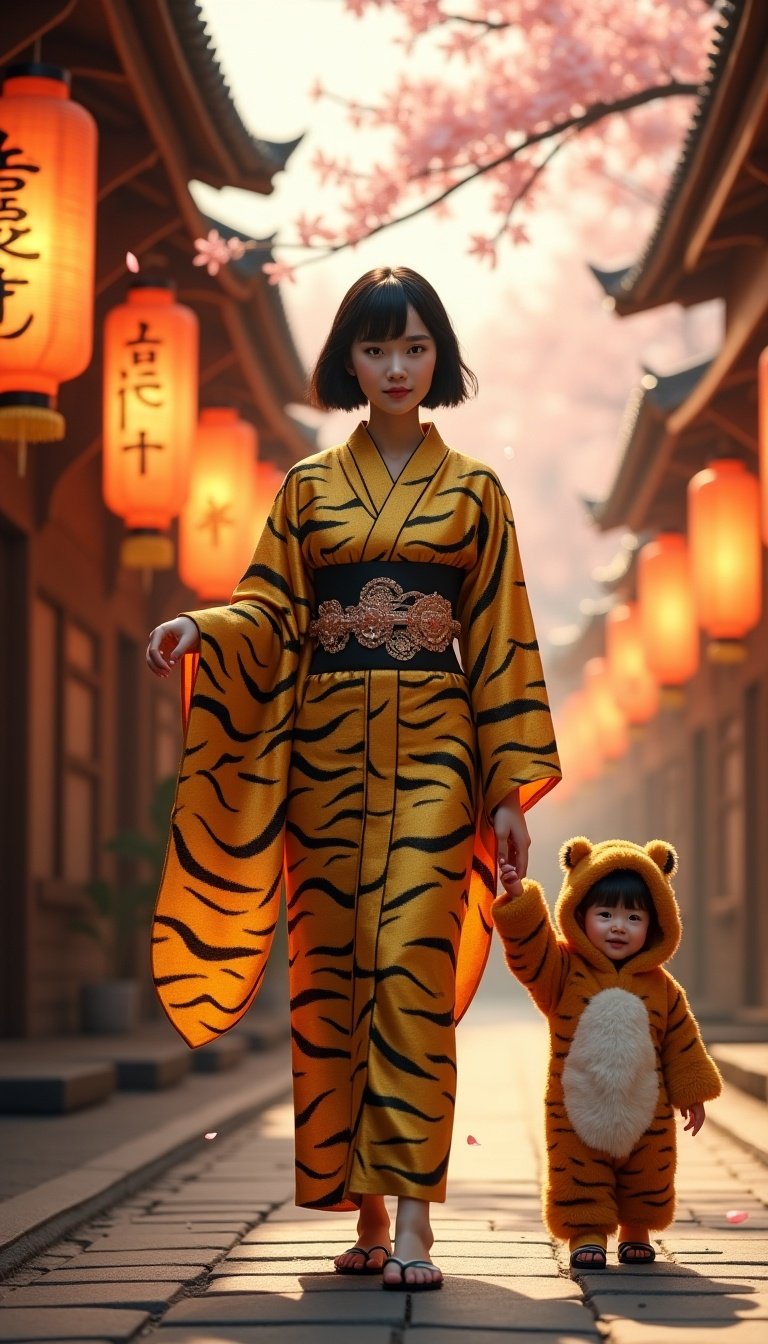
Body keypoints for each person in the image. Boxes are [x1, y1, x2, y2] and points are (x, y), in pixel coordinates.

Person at [146, 265, 560, 1291]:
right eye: (376, 349)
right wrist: (204, 625)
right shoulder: (305, 489)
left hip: (437, 750)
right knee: (333, 977)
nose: (396, 366)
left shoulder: (476, 493)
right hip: (323, 758)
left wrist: (505, 791)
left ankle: (416, 1221)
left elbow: (503, 638)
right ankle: (366, 1214)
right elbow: (271, 611)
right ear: (349, 361)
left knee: (411, 969)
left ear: (440, 357)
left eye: (415, 346)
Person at [492, 835, 722, 1271]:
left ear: (655, 924)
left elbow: (682, 1040)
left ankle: (637, 1228)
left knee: (650, 1171)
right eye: (605, 914)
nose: (619, 926)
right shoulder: (562, 972)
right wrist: (520, 900)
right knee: (578, 1172)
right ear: (579, 915)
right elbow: (529, 953)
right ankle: (587, 1231)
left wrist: (692, 1090)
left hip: (646, 1109)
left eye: (633, 917)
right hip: (577, 1107)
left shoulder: (663, 988)